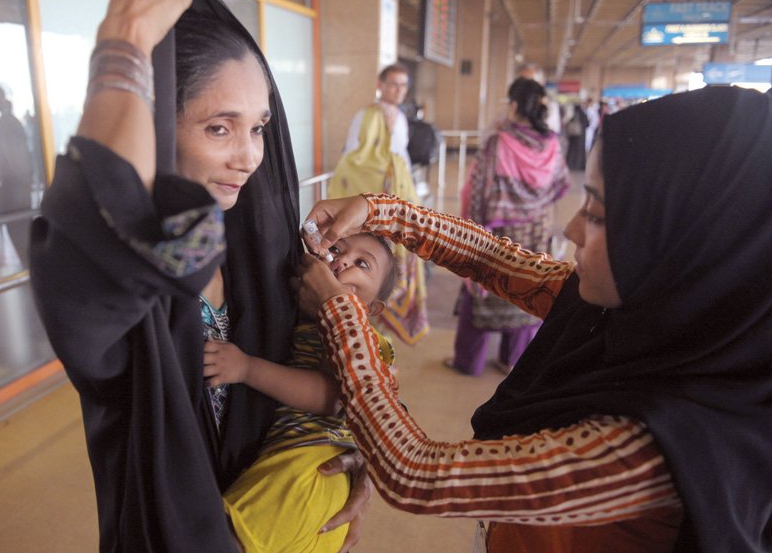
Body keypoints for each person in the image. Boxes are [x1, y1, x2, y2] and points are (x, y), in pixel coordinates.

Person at [297, 86, 772, 552]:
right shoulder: (636, 312)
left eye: (600, 214)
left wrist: (340, 311)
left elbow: (418, 475)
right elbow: (490, 257)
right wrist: (380, 211)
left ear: (686, 244)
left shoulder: (659, 449)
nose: (572, 227)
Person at [30, 0, 368, 551]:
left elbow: (328, 378)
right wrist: (127, 39)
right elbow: (91, 245)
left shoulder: (263, 260)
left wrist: (348, 450)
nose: (249, 156)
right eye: (219, 128)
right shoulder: (129, 284)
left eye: (258, 127)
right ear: (160, 126)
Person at [203, 232, 396, 553]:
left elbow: (327, 397)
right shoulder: (311, 324)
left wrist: (245, 367)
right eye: (336, 249)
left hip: (306, 473)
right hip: (305, 477)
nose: (343, 259)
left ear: (373, 307)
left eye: (362, 264)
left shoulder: (361, 337)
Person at [447, 77, 568, 376]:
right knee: (528, 285)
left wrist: (473, 230)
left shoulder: (499, 142)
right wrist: (533, 205)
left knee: (483, 288)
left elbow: (478, 190)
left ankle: (469, 362)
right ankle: (512, 359)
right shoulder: (552, 142)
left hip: (501, 233)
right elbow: (561, 183)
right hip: (537, 229)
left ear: (513, 105)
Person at [328, 63, 429, 346]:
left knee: (394, 264)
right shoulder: (366, 116)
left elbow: (402, 159)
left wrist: (406, 192)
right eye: (393, 84)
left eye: (403, 85)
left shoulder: (402, 117)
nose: (398, 90)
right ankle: (362, 325)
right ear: (381, 84)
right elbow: (352, 156)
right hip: (370, 204)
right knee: (367, 263)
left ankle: (385, 327)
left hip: (398, 200)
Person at [0, 81, 35, 267]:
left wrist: (3, 177)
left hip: (14, 187)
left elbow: (17, 158)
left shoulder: (8, 123)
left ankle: (30, 273)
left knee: (19, 232)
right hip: (16, 186)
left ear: (1, 97)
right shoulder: (7, 121)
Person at [564, 101, 588, 170]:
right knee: (580, 152)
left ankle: (572, 165)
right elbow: (587, 124)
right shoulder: (583, 115)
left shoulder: (574, 116)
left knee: (572, 151)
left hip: (574, 136)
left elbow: (568, 124)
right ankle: (580, 166)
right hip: (582, 136)